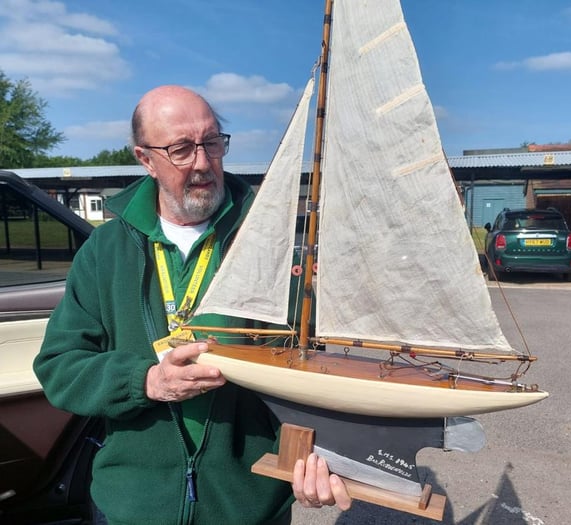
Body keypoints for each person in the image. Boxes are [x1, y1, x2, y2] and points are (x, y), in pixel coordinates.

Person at [33, 85, 351, 524]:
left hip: (248, 509)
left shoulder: (274, 244)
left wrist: (319, 460)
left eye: (212, 142)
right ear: (145, 159)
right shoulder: (105, 251)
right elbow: (59, 366)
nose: (203, 162)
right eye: (181, 149)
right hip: (132, 508)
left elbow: (323, 369)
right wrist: (145, 381)